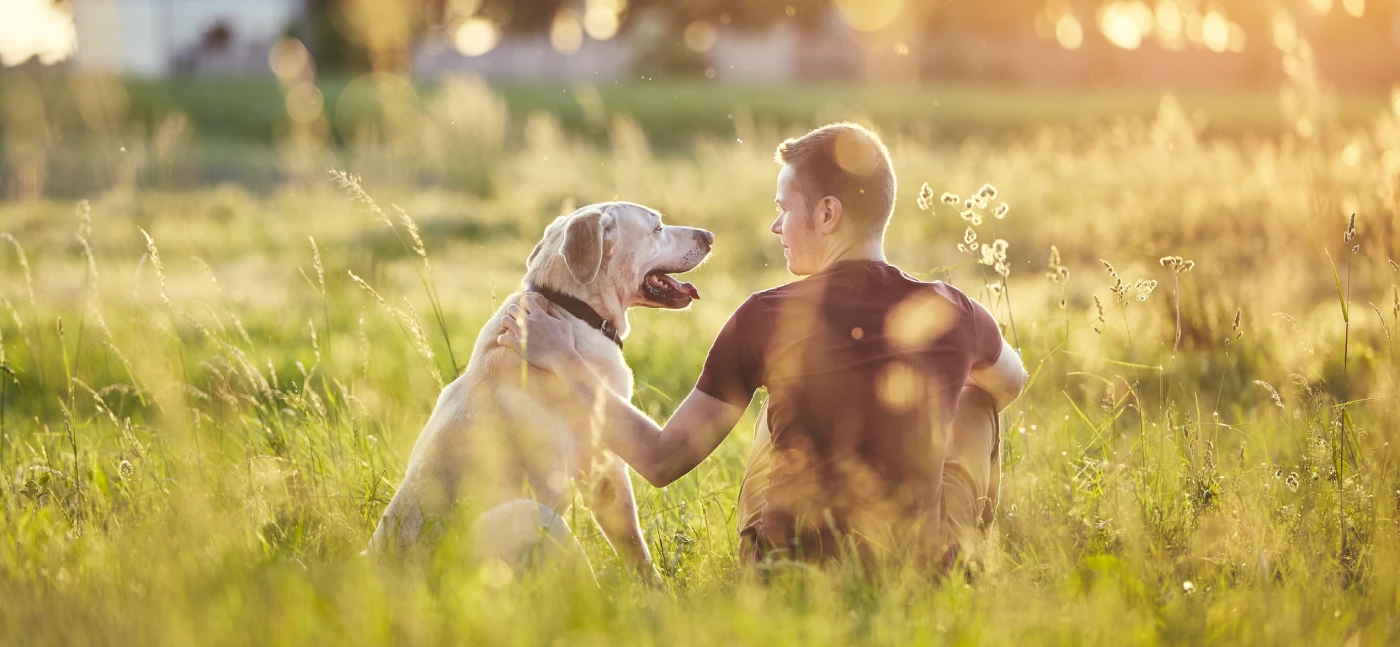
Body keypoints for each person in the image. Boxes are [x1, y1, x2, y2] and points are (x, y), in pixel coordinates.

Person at [497, 123, 1027, 570]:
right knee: (978, 397)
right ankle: (966, 559)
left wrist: (563, 358)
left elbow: (659, 461)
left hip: (783, 574)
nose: (776, 226)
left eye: (784, 209)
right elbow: (1011, 383)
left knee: (776, 401)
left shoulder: (767, 315)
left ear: (827, 214)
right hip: (911, 574)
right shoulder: (954, 310)